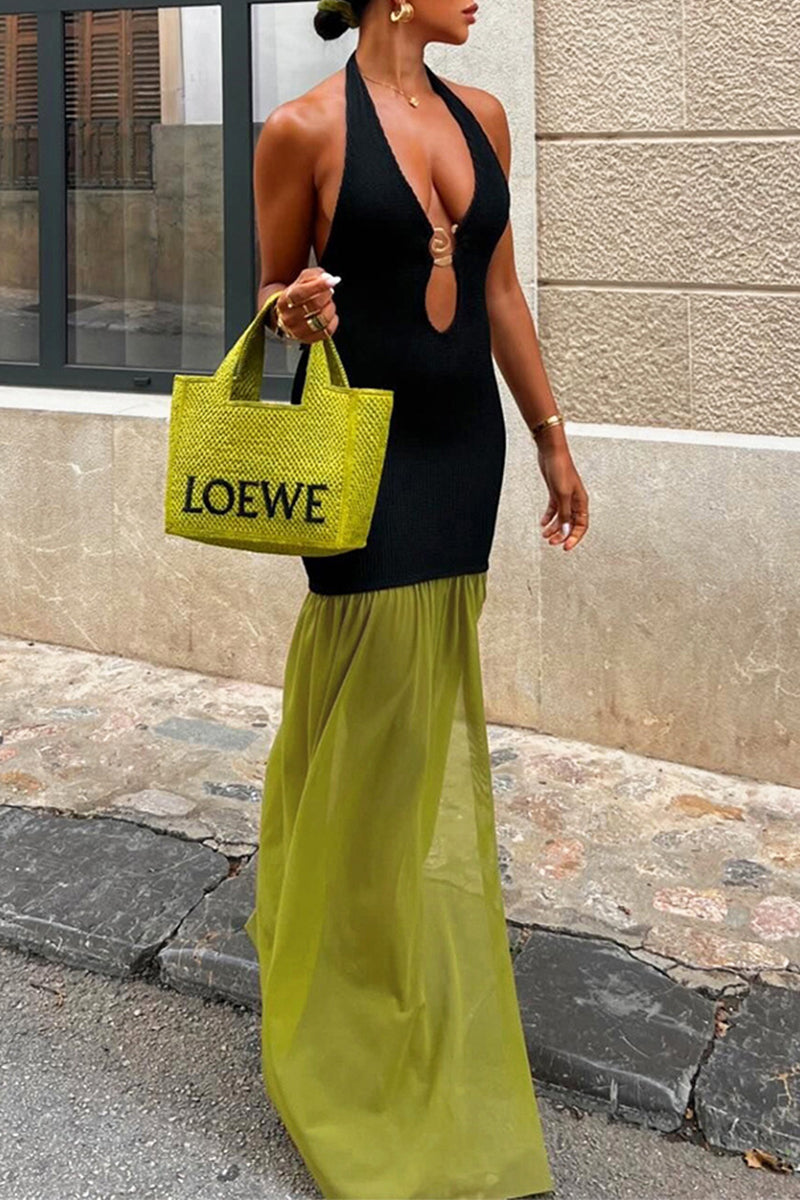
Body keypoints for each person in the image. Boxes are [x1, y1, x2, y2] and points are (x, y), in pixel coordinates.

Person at [243, 0, 589, 1195]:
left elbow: (499, 292)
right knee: (374, 720)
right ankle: (348, 989)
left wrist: (549, 437)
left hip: (460, 453)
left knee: (417, 716)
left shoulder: (480, 115)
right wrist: (294, 309)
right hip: (365, 460)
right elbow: (271, 302)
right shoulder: (300, 130)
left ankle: (389, 950)